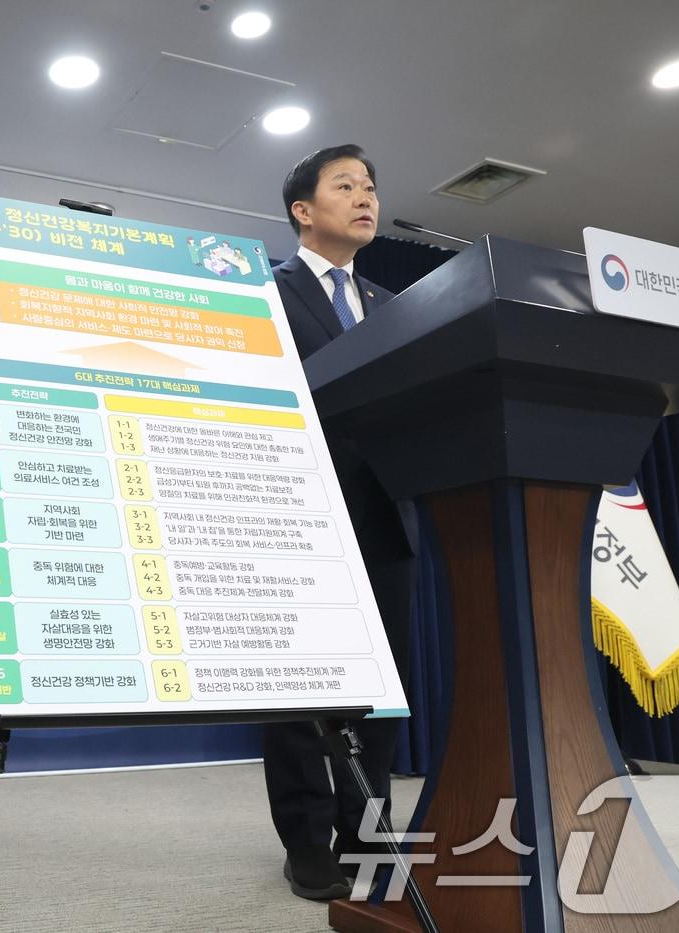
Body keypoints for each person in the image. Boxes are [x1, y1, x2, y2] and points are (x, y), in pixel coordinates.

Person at [263, 144, 417, 901]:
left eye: (371, 187)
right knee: (299, 686)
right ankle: (306, 837)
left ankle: (366, 829)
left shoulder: (394, 305)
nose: (366, 198)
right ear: (303, 209)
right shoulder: (266, 291)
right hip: (297, 508)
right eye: (346, 185)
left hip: (385, 510)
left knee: (378, 687)